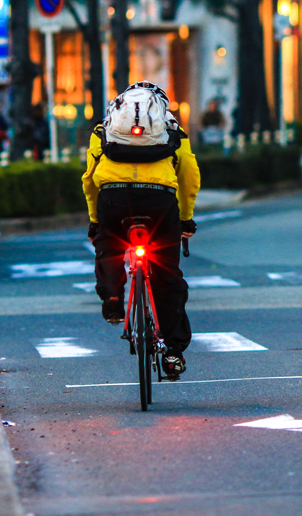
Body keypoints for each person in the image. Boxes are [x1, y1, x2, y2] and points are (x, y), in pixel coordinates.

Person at [82, 81, 201, 380]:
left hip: (114, 196)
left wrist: (96, 220)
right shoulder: (172, 128)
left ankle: (112, 300)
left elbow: (88, 177)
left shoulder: (105, 128)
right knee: (166, 275)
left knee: (109, 244)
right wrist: (186, 218)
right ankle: (173, 351)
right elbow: (188, 171)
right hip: (159, 201)